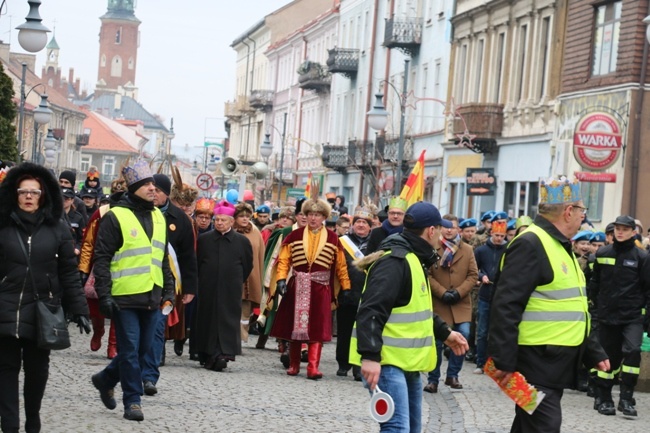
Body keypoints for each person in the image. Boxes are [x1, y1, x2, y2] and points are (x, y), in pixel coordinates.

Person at [489, 177, 609, 433]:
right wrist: (504, 361)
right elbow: (506, 305)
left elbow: (572, 308)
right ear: (569, 212)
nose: (582, 217)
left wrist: (592, 352)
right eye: (581, 210)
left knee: (528, 426)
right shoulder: (531, 243)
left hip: (552, 365)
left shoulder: (558, 245)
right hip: (533, 365)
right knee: (545, 426)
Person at [349, 201, 469, 433]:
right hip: (387, 361)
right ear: (431, 231)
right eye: (439, 228)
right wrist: (371, 357)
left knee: (411, 429)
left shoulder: (413, 259)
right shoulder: (396, 261)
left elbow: (416, 308)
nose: (442, 234)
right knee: (397, 428)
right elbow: (371, 310)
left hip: (406, 362)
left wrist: (445, 333)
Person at [0, 163, 90, 433]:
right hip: (6, 308)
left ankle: (33, 418)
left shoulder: (57, 228)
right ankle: (10, 426)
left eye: (34, 192)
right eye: (23, 191)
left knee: (37, 372)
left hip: (43, 310)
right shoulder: (3, 226)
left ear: (43, 196)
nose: (28, 196)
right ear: (14, 195)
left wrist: (80, 308)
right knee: (5, 371)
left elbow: (68, 273)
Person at [90, 161, 175, 422]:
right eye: (148, 184)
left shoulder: (159, 216)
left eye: (155, 185)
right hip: (124, 296)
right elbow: (101, 257)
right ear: (135, 187)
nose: (153, 189)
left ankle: (105, 379)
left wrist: (169, 291)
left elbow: (162, 259)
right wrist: (104, 294)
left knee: (142, 351)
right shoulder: (116, 216)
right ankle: (133, 401)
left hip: (152, 296)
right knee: (128, 352)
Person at [270, 198, 351, 379]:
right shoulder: (294, 236)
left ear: (324, 217)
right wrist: (281, 279)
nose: (313, 218)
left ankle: (313, 367)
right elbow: (284, 260)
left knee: (317, 328)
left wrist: (346, 287)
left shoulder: (333, 238)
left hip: (321, 289)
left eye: (318, 215)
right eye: (311, 214)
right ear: (305, 216)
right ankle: (294, 365)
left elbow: (341, 266)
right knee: (294, 326)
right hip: (297, 284)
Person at [140, 174, 197, 396]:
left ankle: (149, 377)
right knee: (135, 332)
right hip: (134, 283)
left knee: (155, 331)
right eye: (150, 190)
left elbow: (187, 256)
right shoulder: (134, 213)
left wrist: (190, 287)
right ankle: (131, 372)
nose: (153, 194)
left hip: (165, 285)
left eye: (158, 191)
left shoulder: (180, 220)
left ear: (167, 194)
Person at [588, 215, 650, 416]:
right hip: (607, 315)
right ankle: (604, 398)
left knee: (632, 351)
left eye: (625, 229)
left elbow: (648, 289)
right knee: (608, 359)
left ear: (634, 232)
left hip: (632, 316)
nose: (620, 232)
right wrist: (594, 308)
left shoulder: (642, 257)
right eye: (617, 228)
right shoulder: (603, 253)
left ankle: (626, 397)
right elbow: (594, 284)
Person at [195, 201, 253, 371]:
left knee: (227, 319)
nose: (219, 223)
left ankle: (224, 353)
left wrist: (235, 279)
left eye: (223, 220)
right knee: (208, 318)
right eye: (217, 220)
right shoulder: (204, 239)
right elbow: (198, 262)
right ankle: (207, 352)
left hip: (231, 287)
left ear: (231, 222)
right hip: (208, 286)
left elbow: (247, 265)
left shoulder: (242, 241)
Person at [424, 214, 477, 393]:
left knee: (463, 334)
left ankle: (453, 374)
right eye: (445, 226)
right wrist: (442, 292)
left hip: (460, 301)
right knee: (438, 341)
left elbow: (472, 275)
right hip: (440, 301)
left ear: (457, 229)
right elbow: (427, 274)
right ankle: (433, 379)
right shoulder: (432, 248)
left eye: (452, 227)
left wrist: (459, 291)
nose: (448, 230)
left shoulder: (467, 249)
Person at [78, 178, 126, 359]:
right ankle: (98, 331)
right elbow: (89, 243)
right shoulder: (101, 213)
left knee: (119, 305)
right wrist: (83, 268)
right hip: (101, 262)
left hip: (123, 265)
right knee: (95, 302)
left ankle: (113, 346)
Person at [336, 206, 373, 380]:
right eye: (358, 221)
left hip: (367, 294)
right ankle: (343, 363)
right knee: (344, 330)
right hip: (347, 292)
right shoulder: (343, 241)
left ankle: (358, 366)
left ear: (370, 226)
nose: (361, 225)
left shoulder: (375, 243)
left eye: (364, 222)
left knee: (362, 332)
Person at [473, 220, 508, 373]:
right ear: (491, 233)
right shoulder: (481, 251)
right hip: (485, 295)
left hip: (501, 297)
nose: (499, 238)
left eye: (502, 235)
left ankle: (494, 364)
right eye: (496, 235)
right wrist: (482, 276)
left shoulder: (508, 251)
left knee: (497, 332)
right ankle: (480, 363)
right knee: (482, 332)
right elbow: (474, 269)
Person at [232, 203, 264, 347]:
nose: (245, 219)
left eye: (247, 216)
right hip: (232, 276)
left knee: (245, 309)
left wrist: (259, 277)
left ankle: (241, 336)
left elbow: (260, 255)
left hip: (250, 276)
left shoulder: (255, 231)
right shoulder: (230, 230)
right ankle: (231, 336)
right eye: (241, 216)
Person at [61, 187, 86, 255]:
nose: (64, 201)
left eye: (67, 199)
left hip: (72, 252)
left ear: (72, 200)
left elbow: (82, 238)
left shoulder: (78, 217)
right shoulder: (54, 216)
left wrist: (77, 248)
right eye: (62, 198)